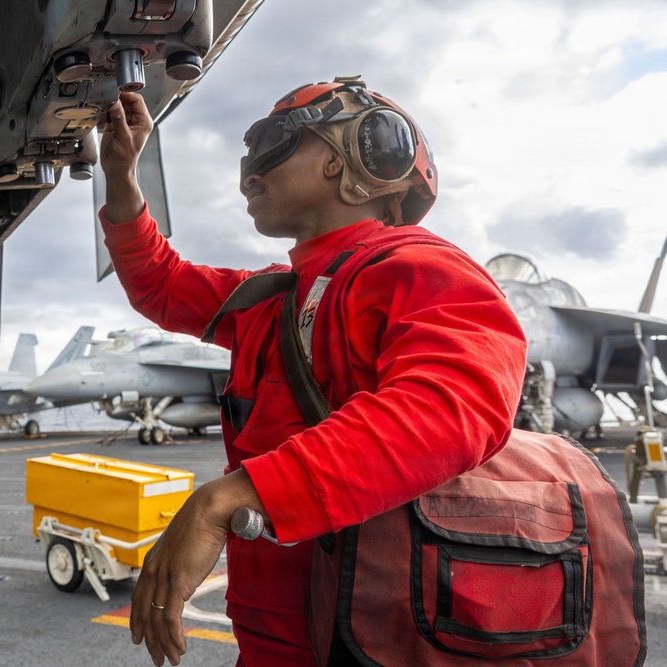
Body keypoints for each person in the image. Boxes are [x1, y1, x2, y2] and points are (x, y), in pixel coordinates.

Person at [97, 77, 529, 666]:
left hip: (370, 634)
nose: (248, 175)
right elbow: (161, 284)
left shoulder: (419, 267)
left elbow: (452, 408)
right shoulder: (274, 297)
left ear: (349, 155)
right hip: (283, 629)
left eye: (273, 144)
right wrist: (122, 179)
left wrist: (228, 498)